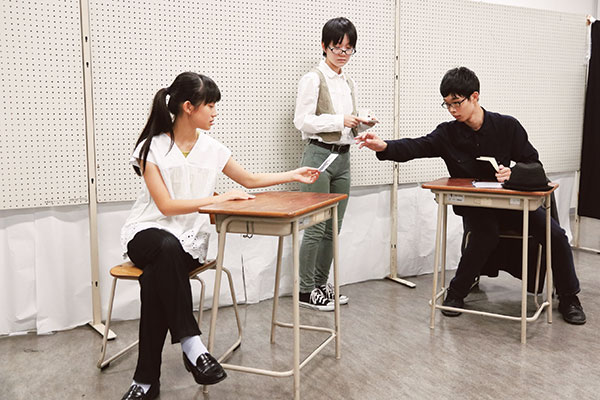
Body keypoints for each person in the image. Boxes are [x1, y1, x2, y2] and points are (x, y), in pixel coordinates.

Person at [119, 72, 319, 400]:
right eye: (210, 105)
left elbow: (250, 180)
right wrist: (218, 199)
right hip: (146, 234)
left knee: (156, 278)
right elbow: (166, 207)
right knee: (164, 247)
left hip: (186, 243)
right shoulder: (151, 147)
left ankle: (146, 382)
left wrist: (293, 174)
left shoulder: (212, 148)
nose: (215, 112)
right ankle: (192, 345)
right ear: (188, 107)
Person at [355, 67, 586, 325]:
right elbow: (417, 146)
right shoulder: (447, 133)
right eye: (447, 104)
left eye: (457, 103)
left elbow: (533, 164)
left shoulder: (507, 126)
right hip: (477, 207)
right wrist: (384, 146)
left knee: (556, 235)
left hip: (515, 205)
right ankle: (456, 293)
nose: (452, 110)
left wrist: (514, 172)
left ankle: (569, 297)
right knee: (485, 235)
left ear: (475, 96)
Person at [294, 17, 378, 311]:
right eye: (337, 47)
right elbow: (302, 121)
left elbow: (346, 125)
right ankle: (305, 290)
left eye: (348, 48)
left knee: (334, 227)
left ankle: (320, 284)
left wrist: (362, 124)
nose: (343, 53)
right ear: (324, 46)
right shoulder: (313, 79)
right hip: (318, 156)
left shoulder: (348, 81)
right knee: (315, 227)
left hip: (343, 156)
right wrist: (339, 120)